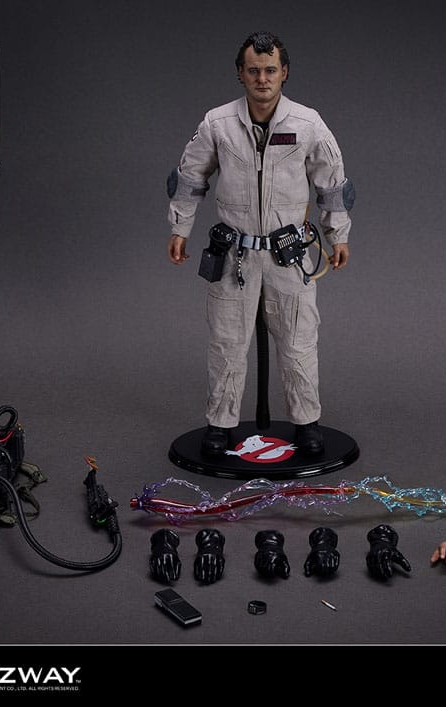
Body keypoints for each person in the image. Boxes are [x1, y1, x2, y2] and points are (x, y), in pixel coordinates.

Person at [167, 31, 355, 456]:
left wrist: (337, 235)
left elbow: (332, 184)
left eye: (270, 70)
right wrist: (180, 229)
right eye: (253, 71)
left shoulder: (307, 124)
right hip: (234, 255)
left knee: (298, 341)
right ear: (240, 73)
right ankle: (219, 425)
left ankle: (307, 424)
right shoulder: (217, 123)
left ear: (284, 72)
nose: (262, 79)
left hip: (289, 255)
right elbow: (190, 177)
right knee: (226, 344)